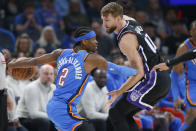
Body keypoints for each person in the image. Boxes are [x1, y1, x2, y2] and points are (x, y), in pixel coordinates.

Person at [8, 26, 137, 131]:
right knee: (87, 129)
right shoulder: (91, 58)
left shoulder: (60, 52)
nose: (97, 42)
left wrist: (13, 64)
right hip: (64, 109)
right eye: (93, 39)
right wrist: (139, 72)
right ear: (84, 41)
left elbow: (33, 61)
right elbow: (118, 69)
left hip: (55, 106)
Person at [101, 2, 171, 131]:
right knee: (125, 114)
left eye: (108, 21)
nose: (105, 25)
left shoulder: (125, 40)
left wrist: (119, 91)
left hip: (153, 79)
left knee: (115, 113)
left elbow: (138, 73)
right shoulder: (130, 20)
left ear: (117, 19)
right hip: (161, 77)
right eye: (103, 20)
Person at [152, 20, 196, 131]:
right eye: (195, 29)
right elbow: (175, 73)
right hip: (192, 83)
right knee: (191, 115)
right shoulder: (183, 48)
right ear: (190, 31)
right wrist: (176, 98)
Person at [16, 64, 56, 131]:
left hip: (45, 117)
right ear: (39, 74)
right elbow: (34, 114)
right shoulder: (32, 88)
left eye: (51, 74)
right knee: (44, 122)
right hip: (24, 119)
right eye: (46, 74)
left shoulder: (54, 88)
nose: (49, 76)